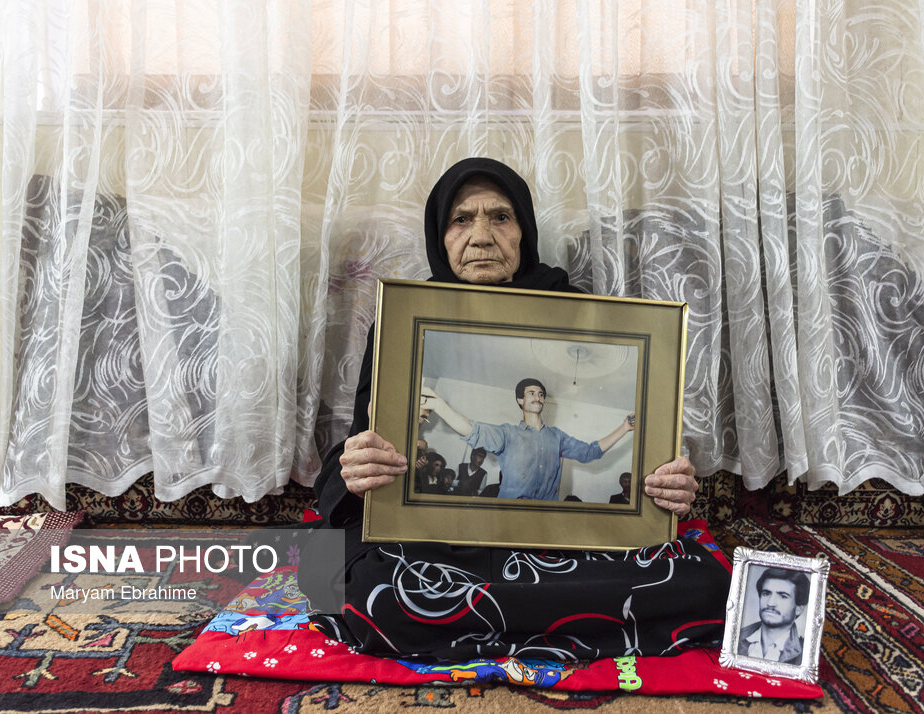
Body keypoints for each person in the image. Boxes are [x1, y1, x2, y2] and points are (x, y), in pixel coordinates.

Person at [300, 157, 730, 661]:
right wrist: (357, 464)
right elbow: (379, 439)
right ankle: (565, 621)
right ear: (440, 237)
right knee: (348, 584)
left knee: (707, 586)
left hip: (560, 546)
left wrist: (667, 481)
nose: (481, 236)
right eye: (461, 220)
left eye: (500, 217)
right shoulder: (405, 323)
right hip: (443, 542)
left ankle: (483, 620)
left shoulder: (581, 315)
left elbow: (594, 452)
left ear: (523, 231)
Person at [421, 379, 633, 501]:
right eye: (531, 393)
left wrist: (625, 427)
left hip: (547, 518)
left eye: (541, 394)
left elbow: (590, 452)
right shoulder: (507, 433)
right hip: (510, 516)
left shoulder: (557, 436)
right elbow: (472, 431)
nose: (538, 397)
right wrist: (439, 406)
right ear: (520, 400)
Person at [736, 567, 809, 665]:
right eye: (766, 594)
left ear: (799, 608)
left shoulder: (806, 653)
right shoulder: (736, 636)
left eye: (783, 596)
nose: (770, 603)